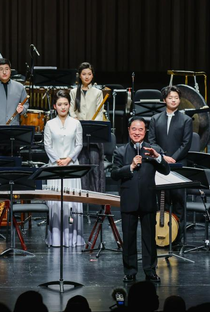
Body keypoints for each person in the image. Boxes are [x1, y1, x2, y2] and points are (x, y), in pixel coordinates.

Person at [111, 117, 170, 282]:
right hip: (129, 200)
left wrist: (158, 157)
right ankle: (130, 271)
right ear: (129, 130)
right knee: (129, 238)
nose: (137, 132)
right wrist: (130, 167)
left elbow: (166, 170)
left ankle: (150, 270)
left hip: (148, 199)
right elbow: (114, 174)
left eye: (140, 129)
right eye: (134, 129)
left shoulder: (153, 150)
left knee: (149, 238)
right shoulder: (120, 151)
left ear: (145, 132)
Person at [43, 90, 85, 247]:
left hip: (71, 166)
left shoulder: (76, 123)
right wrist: (57, 160)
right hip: (55, 167)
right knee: (56, 203)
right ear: (55, 106)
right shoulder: (49, 124)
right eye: (60, 104)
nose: (63, 107)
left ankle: (73, 237)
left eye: (65, 104)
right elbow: (47, 145)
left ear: (69, 105)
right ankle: (56, 238)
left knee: (71, 202)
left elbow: (79, 144)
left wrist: (68, 159)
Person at [148, 85, 192, 222]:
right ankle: (164, 231)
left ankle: (179, 232)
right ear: (164, 100)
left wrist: (173, 158)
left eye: (176, 98)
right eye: (170, 98)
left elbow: (186, 143)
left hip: (179, 164)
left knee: (178, 201)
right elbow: (152, 141)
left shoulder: (186, 120)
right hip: (161, 163)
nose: (173, 100)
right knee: (163, 201)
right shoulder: (155, 119)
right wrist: (163, 157)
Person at [69, 62, 106, 193]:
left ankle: (98, 195)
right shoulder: (73, 92)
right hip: (79, 133)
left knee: (96, 166)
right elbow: (72, 111)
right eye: (84, 74)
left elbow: (99, 112)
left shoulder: (98, 92)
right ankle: (83, 196)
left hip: (94, 133)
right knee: (82, 165)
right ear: (79, 75)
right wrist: (77, 123)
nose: (86, 76)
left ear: (92, 75)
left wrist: (91, 126)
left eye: (89, 74)